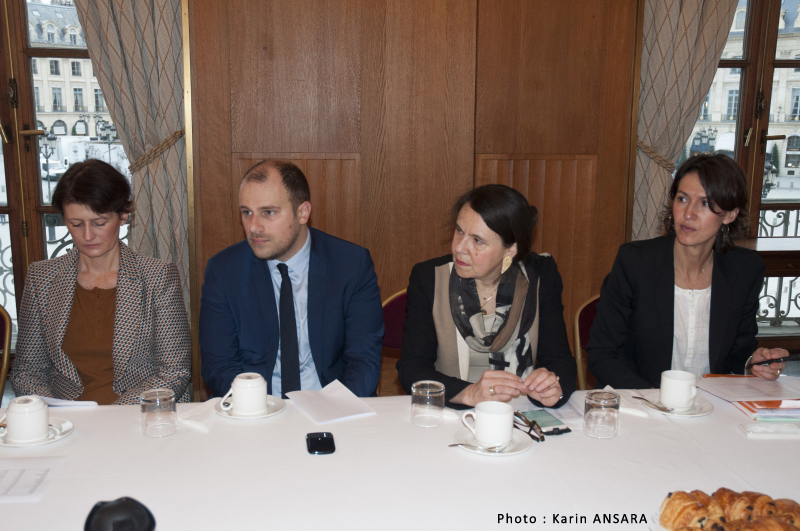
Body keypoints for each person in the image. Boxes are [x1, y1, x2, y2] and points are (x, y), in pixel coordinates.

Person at [587, 154, 787, 389]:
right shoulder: (636, 263)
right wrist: (657, 401)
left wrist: (752, 362)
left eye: (704, 203)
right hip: (642, 403)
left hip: (711, 406)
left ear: (730, 215)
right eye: (682, 199)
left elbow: (736, 352)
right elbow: (601, 354)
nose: (688, 213)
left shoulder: (744, 270)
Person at [12, 159, 191, 405]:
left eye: (99, 223)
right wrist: (55, 412)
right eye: (75, 224)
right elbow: (26, 371)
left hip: (141, 417)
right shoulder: (42, 278)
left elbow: (174, 372)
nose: (87, 235)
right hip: (66, 421)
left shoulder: (157, 277)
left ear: (123, 215)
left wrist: (111, 416)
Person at [199, 159, 384, 398]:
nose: (254, 227)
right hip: (255, 412)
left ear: (302, 212)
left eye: (268, 212)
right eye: (246, 212)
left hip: (333, 407)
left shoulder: (350, 264)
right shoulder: (224, 271)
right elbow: (219, 365)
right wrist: (258, 411)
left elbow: (363, 361)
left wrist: (334, 411)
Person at [396, 184, 577, 409]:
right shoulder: (430, 278)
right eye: (459, 231)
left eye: (477, 241)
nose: (459, 248)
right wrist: (469, 393)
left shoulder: (539, 278)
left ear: (510, 249)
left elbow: (560, 362)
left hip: (521, 414)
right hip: (452, 413)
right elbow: (412, 369)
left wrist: (554, 386)